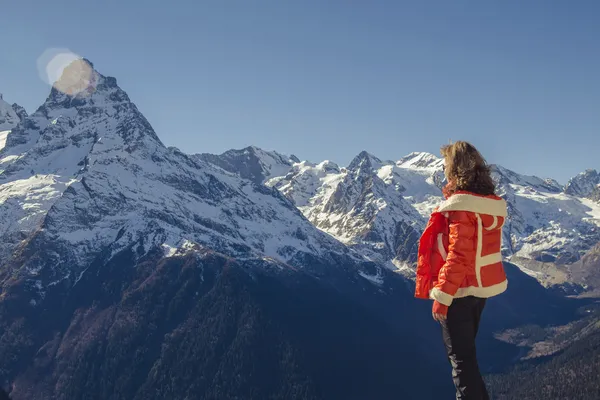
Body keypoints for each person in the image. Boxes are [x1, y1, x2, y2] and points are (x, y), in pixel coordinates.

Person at [415, 141, 508, 400]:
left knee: (461, 363)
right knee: (467, 359)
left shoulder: (462, 206)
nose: (443, 169)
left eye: (446, 164)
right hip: (480, 290)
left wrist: (442, 297)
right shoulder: (488, 204)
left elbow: (458, 254)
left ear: (455, 168)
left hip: (458, 290)